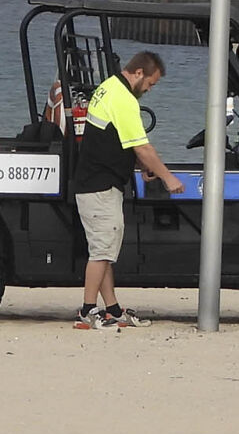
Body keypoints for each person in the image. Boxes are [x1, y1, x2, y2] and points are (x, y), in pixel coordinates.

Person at [70, 51, 183, 328]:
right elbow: (142, 146)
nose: (149, 89)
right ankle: (87, 311)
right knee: (100, 252)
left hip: (94, 182)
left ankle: (113, 309)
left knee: (105, 250)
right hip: (100, 186)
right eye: (150, 84)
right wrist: (168, 178)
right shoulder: (124, 99)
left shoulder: (108, 86)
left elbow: (111, 139)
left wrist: (136, 164)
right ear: (139, 73)